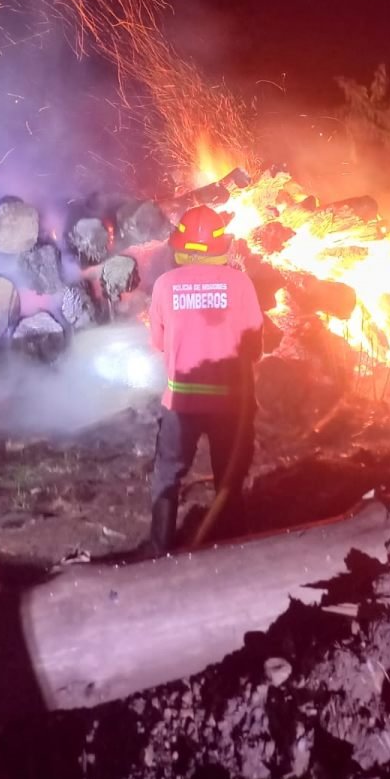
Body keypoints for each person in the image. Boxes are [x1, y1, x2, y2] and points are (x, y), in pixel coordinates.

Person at [148, 203, 263, 553]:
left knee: (168, 476)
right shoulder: (241, 283)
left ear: (181, 246)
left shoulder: (165, 285)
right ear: (220, 246)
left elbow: (157, 342)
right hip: (231, 403)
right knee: (228, 478)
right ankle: (233, 546)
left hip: (180, 402)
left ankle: (160, 548)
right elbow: (254, 346)